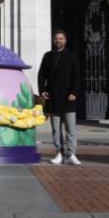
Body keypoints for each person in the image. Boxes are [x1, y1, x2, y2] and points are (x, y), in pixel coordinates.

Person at [38, 30, 81, 165]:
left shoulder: (72, 56)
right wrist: (42, 91)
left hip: (68, 98)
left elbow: (77, 77)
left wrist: (74, 93)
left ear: (65, 40)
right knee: (56, 129)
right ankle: (59, 153)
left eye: (61, 38)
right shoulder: (47, 56)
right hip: (53, 98)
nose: (58, 41)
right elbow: (41, 75)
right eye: (56, 38)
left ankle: (71, 154)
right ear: (53, 40)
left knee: (70, 128)